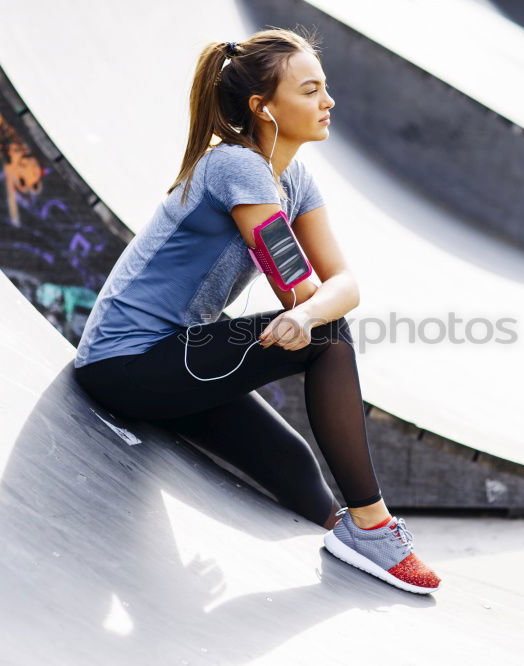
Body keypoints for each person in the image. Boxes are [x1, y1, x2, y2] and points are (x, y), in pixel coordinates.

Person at [72, 28, 440, 594]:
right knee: (329, 341)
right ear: (262, 108)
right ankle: (373, 527)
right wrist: (308, 314)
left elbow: (344, 285)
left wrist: (309, 312)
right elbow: (301, 289)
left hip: (175, 359)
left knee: (292, 461)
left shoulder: (293, 179)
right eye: (310, 90)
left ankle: (351, 535)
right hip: (127, 362)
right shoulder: (236, 169)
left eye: (325, 88)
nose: (328, 102)